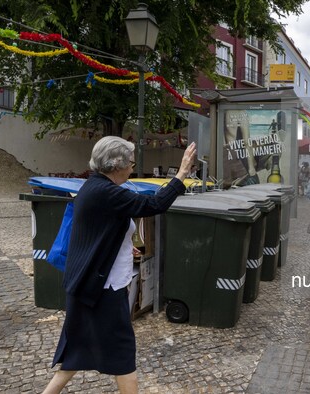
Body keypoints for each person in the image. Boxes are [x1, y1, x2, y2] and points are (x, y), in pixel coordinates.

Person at [43, 137, 197, 394]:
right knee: (122, 353)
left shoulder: (95, 187)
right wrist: (181, 174)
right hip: (102, 290)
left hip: (91, 287)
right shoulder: (107, 192)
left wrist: (123, 247)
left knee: (79, 349)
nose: (132, 168)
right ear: (116, 164)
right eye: (131, 162)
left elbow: (100, 231)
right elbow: (154, 205)